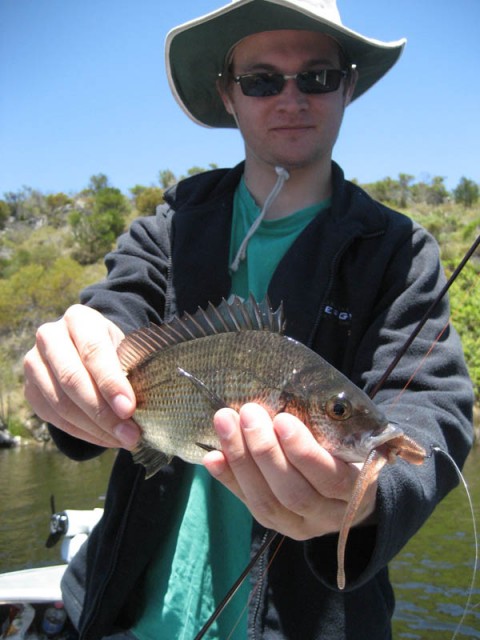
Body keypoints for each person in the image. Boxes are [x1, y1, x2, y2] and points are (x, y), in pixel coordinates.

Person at [24, 1, 474, 639]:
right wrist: (75, 364)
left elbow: (438, 408)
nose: (291, 98)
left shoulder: (398, 252)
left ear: (347, 84)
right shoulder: (174, 221)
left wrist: (370, 495)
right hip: (124, 618)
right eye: (262, 80)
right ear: (228, 95)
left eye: (316, 77)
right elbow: (116, 308)